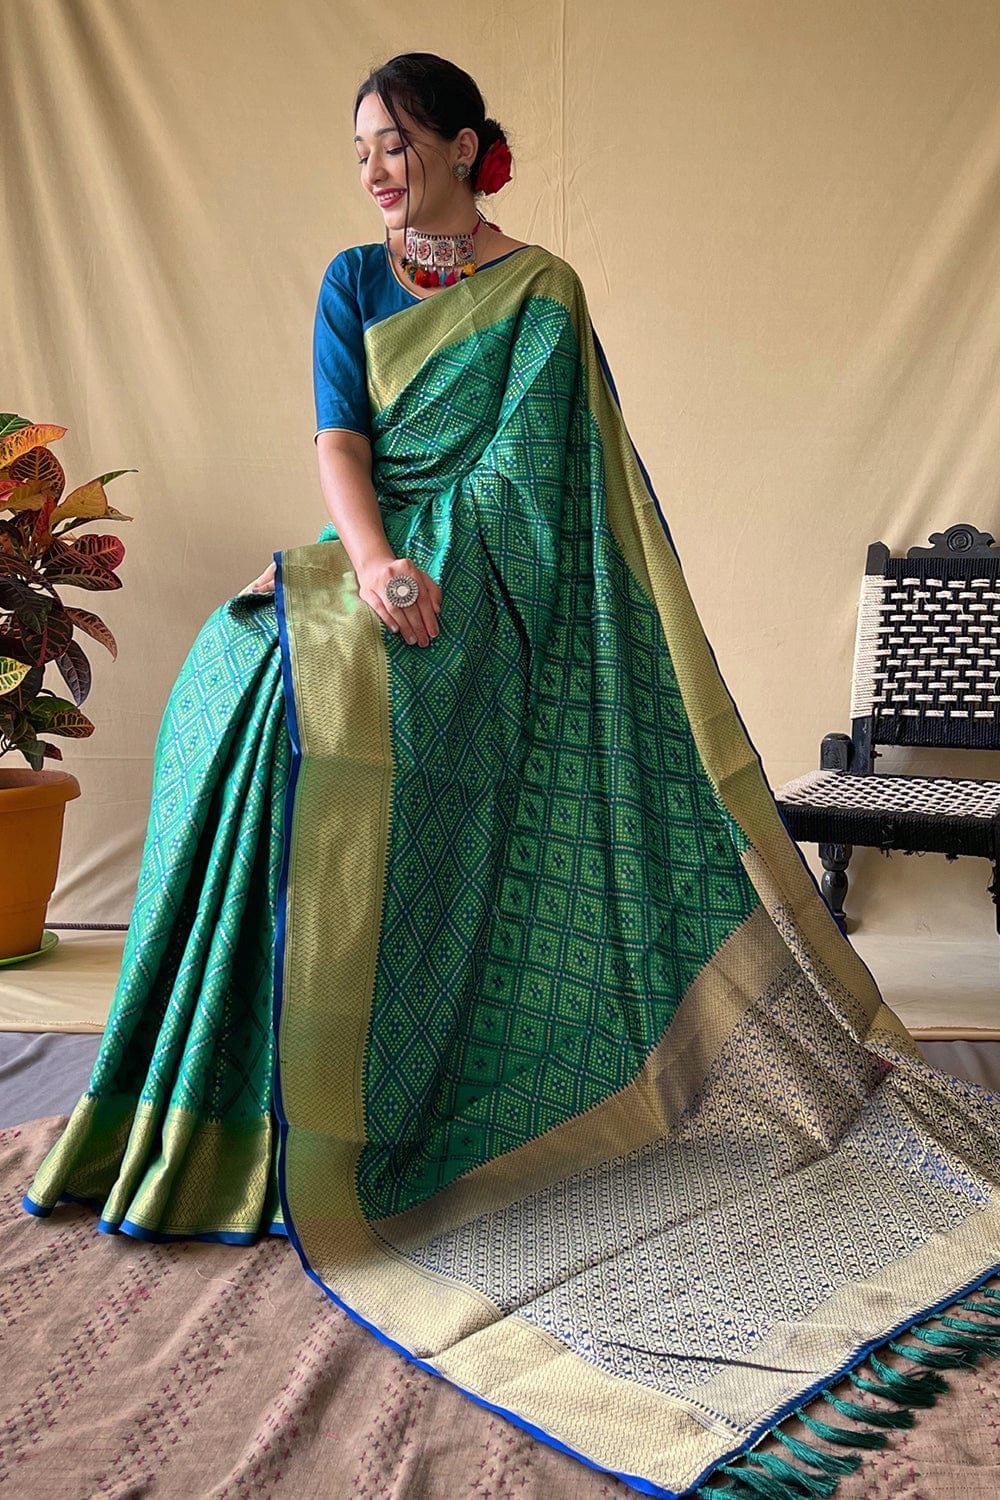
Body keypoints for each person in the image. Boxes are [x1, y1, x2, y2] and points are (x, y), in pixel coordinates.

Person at [23, 53, 1000, 1499]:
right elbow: (341, 440)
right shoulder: (351, 280)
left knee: (339, 695)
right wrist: (366, 563)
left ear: (465, 146)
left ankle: (385, 1103)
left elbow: (535, 488)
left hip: (489, 585)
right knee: (230, 687)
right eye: (360, 147)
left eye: (396, 143)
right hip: (383, 556)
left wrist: (428, 574)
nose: (374, 169)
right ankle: (213, 1114)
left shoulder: (541, 291)